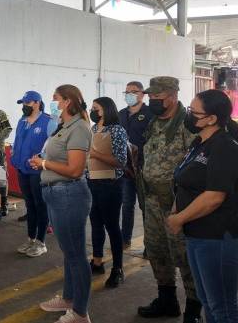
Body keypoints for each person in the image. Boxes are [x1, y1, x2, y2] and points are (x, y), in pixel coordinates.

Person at [167, 89, 238, 323]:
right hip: (199, 235)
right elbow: (186, 183)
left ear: (212, 118)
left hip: (219, 237)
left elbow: (214, 196)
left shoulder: (224, 147)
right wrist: (176, 209)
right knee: (208, 301)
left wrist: (179, 218)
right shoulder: (199, 143)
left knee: (222, 307)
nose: (189, 115)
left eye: (194, 112)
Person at [137, 77, 202, 322]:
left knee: (185, 257)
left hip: (178, 204)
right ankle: (167, 301)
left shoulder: (188, 124)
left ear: (173, 97)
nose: (152, 101)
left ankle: (194, 311)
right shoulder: (154, 122)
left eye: (157, 98)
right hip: (153, 199)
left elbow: (198, 164)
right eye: (151, 97)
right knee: (157, 253)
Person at [31, 84, 92, 323]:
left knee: (76, 254)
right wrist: (42, 161)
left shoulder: (79, 128)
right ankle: (69, 298)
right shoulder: (64, 126)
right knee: (69, 252)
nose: (54, 105)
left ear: (67, 102)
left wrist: (45, 164)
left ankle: (80, 312)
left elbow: (75, 170)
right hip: (56, 193)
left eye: (56, 100)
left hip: (69, 194)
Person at [87, 97, 128, 288]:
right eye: (92, 108)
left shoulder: (117, 130)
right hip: (92, 182)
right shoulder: (94, 129)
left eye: (96, 108)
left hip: (110, 184)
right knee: (95, 223)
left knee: (112, 226)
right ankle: (97, 261)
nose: (92, 111)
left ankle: (118, 268)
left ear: (106, 110)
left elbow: (121, 161)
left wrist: (95, 154)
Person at [11, 91, 51, 258]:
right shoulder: (22, 121)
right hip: (22, 169)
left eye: (26, 103)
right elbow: (17, 141)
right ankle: (31, 239)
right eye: (23, 104)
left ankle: (41, 242)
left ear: (36, 102)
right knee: (29, 205)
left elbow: (52, 146)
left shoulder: (48, 121)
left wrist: (43, 159)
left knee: (40, 205)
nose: (24, 107)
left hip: (37, 171)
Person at [118, 81, 153, 249]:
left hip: (145, 169)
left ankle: (150, 244)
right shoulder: (121, 114)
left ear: (142, 94)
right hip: (126, 170)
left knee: (147, 207)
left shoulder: (150, 114)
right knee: (127, 205)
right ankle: (125, 239)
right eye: (127, 92)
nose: (129, 95)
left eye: (133, 91)